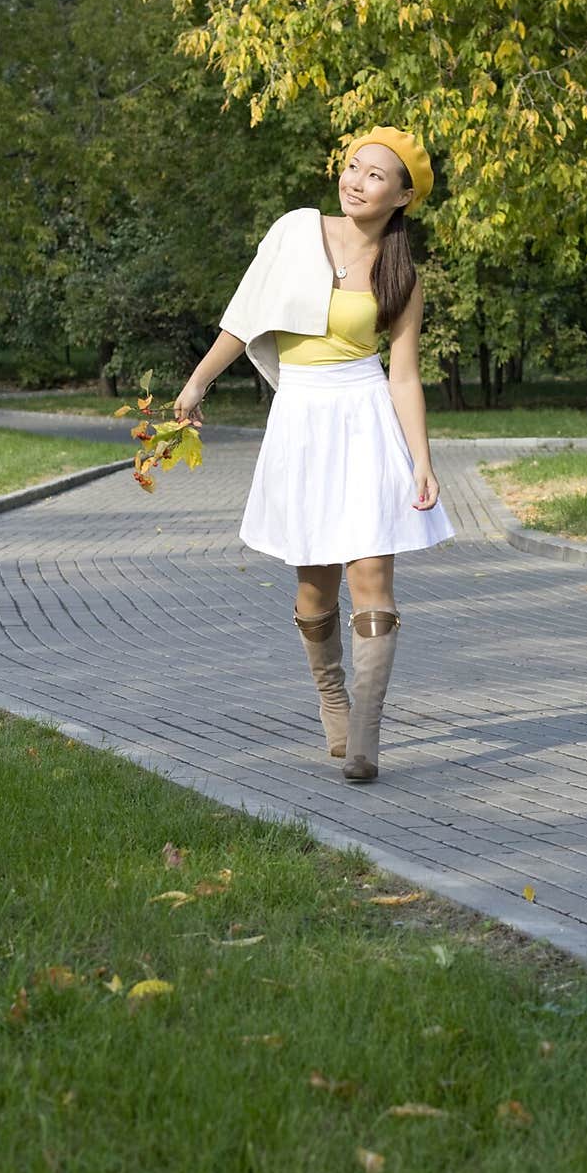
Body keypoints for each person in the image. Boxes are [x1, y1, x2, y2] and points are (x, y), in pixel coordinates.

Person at [174, 125, 455, 781]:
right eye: (353, 166)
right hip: (300, 420)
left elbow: (404, 376)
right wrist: (198, 380)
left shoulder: (401, 275)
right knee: (313, 592)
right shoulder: (296, 231)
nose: (356, 180)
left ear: (403, 196)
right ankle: (333, 699)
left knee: (372, 580)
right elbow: (246, 317)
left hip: (364, 420)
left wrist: (422, 459)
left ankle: (365, 735)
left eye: (375, 174)